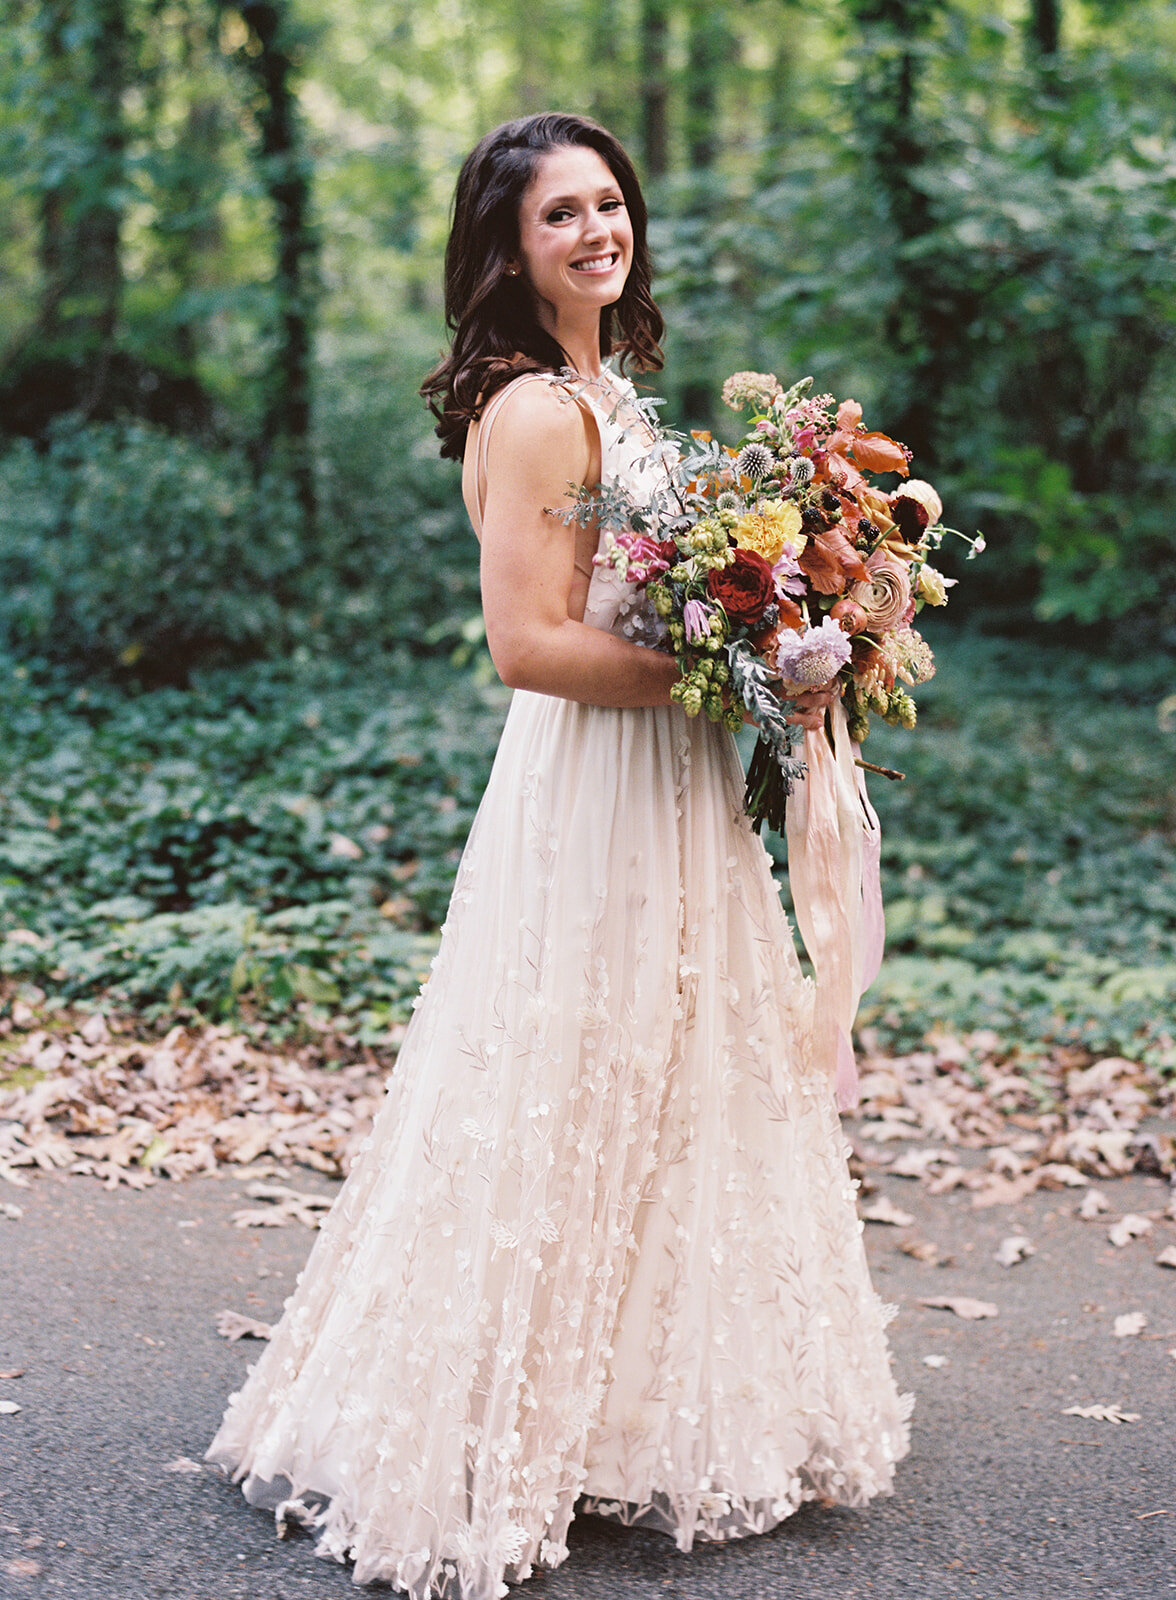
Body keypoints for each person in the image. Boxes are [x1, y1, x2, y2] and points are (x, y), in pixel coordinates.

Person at [206, 111, 911, 1599]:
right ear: (507, 249)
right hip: (594, 785)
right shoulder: (537, 409)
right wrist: (747, 676)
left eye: (609, 203)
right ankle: (490, 1434)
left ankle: (618, 1412)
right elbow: (527, 644)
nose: (598, 230)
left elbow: (667, 598)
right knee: (569, 1079)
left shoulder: (615, 387)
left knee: (671, 1078)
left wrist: (785, 630)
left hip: (669, 783)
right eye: (559, 216)